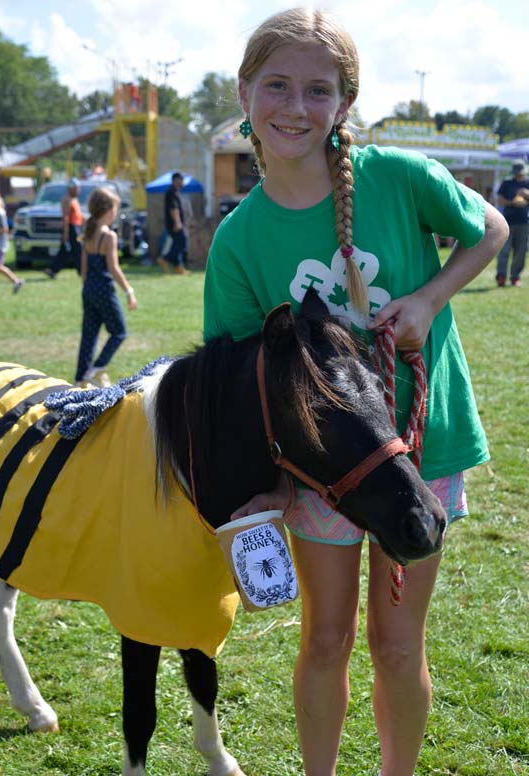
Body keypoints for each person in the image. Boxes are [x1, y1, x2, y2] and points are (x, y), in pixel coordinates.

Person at [202, 9, 509, 776]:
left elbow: (491, 229)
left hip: (420, 446)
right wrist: (270, 488)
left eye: (317, 90)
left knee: (397, 644)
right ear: (245, 92)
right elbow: (246, 374)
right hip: (320, 472)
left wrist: (430, 299)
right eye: (276, 85)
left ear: (344, 103)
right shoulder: (239, 238)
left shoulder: (398, 178)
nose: (294, 107)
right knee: (326, 638)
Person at [74, 187, 138, 388]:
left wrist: (88, 288)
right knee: (119, 332)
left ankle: (79, 379)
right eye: (116, 210)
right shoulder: (108, 236)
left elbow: (83, 270)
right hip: (104, 289)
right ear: (109, 210)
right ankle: (97, 368)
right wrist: (129, 290)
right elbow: (113, 268)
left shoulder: (89, 233)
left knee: (89, 334)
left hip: (88, 289)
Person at [494, 159, 529, 287]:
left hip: (524, 223)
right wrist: (512, 202)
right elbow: (499, 199)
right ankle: (501, 276)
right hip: (507, 222)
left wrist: (526, 194)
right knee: (504, 250)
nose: (519, 175)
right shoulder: (507, 183)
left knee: (520, 251)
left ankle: (515, 277)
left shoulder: (527, 183)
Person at [46, 178, 84, 278]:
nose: (78, 190)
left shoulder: (74, 199)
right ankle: (82, 271)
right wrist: (66, 233)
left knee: (66, 250)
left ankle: (53, 270)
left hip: (77, 227)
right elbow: (66, 217)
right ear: (71, 189)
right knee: (77, 250)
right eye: (76, 188)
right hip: (71, 228)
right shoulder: (67, 199)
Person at [157, 171, 190, 275]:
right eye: (181, 179)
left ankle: (178, 267)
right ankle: (165, 259)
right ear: (176, 180)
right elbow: (173, 209)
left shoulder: (177, 192)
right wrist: (177, 223)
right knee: (182, 243)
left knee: (177, 244)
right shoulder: (171, 192)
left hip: (179, 223)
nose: (182, 182)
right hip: (175, 224)